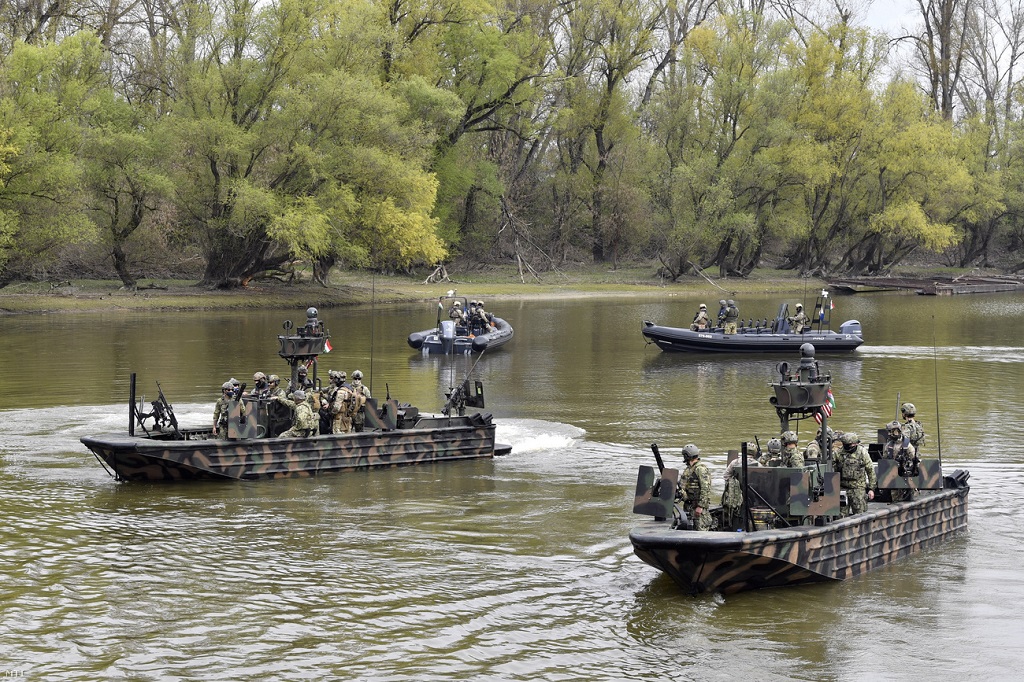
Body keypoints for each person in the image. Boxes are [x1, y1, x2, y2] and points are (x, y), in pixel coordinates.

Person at [832, 432, 876, 515]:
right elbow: (831, 470)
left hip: (858, 488)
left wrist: (871, 489)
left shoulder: (862, 452)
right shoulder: (838, 453)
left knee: (860, 513)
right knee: (840, 514)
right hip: (842, 487)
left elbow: (870, 470)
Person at [680, 444, 714, 531]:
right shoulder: (689, 469)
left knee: (701, 530)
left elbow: (706, 489)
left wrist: (700, 506)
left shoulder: (700, 469)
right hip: (689, 505)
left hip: (697, 507)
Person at [722, 451, 759, 530]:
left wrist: (734, 484)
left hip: (735, 494)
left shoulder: (734, 462)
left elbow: (726, 476)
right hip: (752, 494)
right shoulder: (757, 464)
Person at [883, 420, 918, 502]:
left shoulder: (907, 446)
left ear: (897, 432)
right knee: (895, 497)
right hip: (893, 475)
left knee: (908, 498)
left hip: (906, 476)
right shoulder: (889, 446)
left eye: (891, 432)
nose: (889, 434)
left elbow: (914, 461)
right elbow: (885, 460)